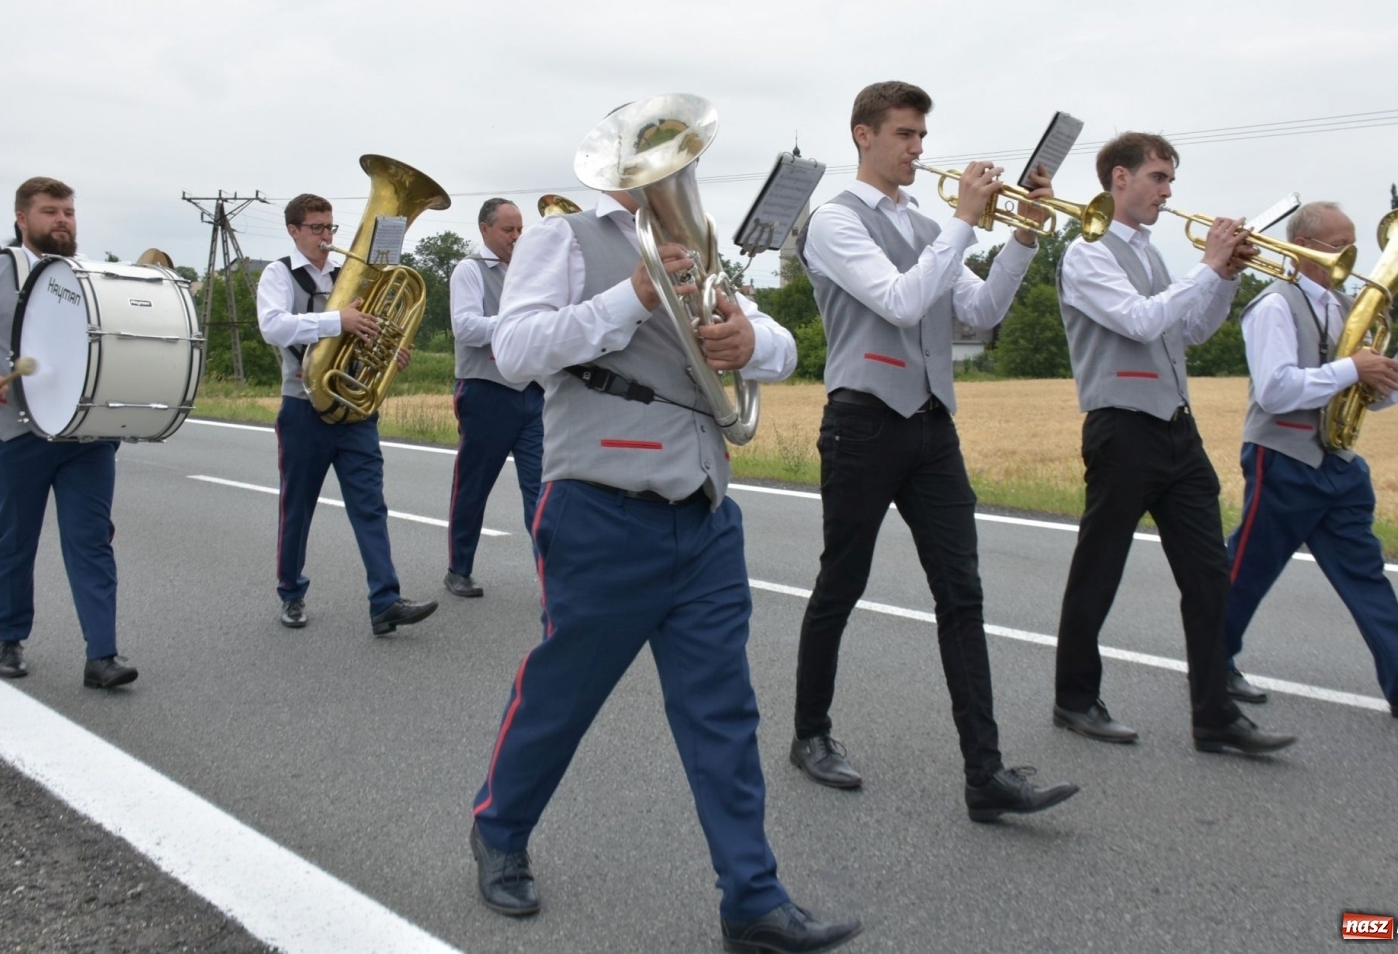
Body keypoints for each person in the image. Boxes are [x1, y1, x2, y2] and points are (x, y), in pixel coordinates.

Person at [467, 129, 861, 953]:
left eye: (679, 163)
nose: (671, 177)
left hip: (706, 512)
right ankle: (498, 829)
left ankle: (752, 900)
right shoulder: (561, 237)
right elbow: (513, 350)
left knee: (723, 713)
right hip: (602, 509)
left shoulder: (703, 244)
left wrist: (752, 343)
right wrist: (635, 297)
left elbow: (784, 346)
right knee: (562, 695)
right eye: (654, 164)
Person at [790, 80, 1079, 823]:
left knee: (963, 593)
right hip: (862, 421)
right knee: (842, 582)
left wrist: (1019, 237)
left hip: (930, 425)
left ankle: (985, 774)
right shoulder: (832, 221)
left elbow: (978, 316)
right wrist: (963, 222)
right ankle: (809, 732)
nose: (919, 148)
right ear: (864, 136)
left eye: (922, 135)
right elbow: (899, 301)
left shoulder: (925, 222)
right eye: (904, 134)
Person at [1052, 131, 1297, 755]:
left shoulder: (1155, 256)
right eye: (1158, 178)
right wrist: (1208, 266)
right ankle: (1075, 698)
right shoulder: (1088, 251)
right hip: (1121, 427)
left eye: (1169, 180)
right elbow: (1139, 320)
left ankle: (1213, 716)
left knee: (1210, 575)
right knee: (1099, 570)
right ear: (1120, 181)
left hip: (1175, 430)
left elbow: (1189, 328)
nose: (1167, 191)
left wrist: (1225, 278)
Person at [1223, 200, 1398, 716]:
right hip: (1283, 458)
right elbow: (1275, 392)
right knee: (1247, 571)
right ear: (1305, 245)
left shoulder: (1346, 306)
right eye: (1341, 244)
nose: (1355, 254)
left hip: (1336, 463)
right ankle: (1212, 667)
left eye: (1353, 242)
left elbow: (1368, 396)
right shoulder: (1275, 304)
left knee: (1365, 571)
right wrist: (1351, 369)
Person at [0, 177, 137, 688]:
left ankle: (102, 656)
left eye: (68, 211)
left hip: (85, 437)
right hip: (15, 433)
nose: (62, 220)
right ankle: (9, 637)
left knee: (91, 541)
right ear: (23, 219)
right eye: (50, 211)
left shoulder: (95, 276)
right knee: (15, 540)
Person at [255, 193, 438, 635]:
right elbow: (272, 326)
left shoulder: (350, 275)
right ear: (293, 231)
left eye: (330, 227)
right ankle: (291, 592)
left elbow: (372, 328)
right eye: (316, 228)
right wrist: (338, 321)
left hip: (355, 409)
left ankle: (385, 601)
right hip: (303, 408)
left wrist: (390, 348)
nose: (326, 237)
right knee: (298, 507)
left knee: (370, 506)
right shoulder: (279, 273)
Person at [443, 198, 543, 599]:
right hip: (485, 390)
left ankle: (552, 578)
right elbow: (465, 327)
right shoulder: (469, 270)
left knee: (542, 491)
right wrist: (518, 323)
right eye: (508, 230)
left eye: (520, 229)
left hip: (532, 392)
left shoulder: (529, 271)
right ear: (485, 229)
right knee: (474, 487)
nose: (516, 237)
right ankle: (459, 569)